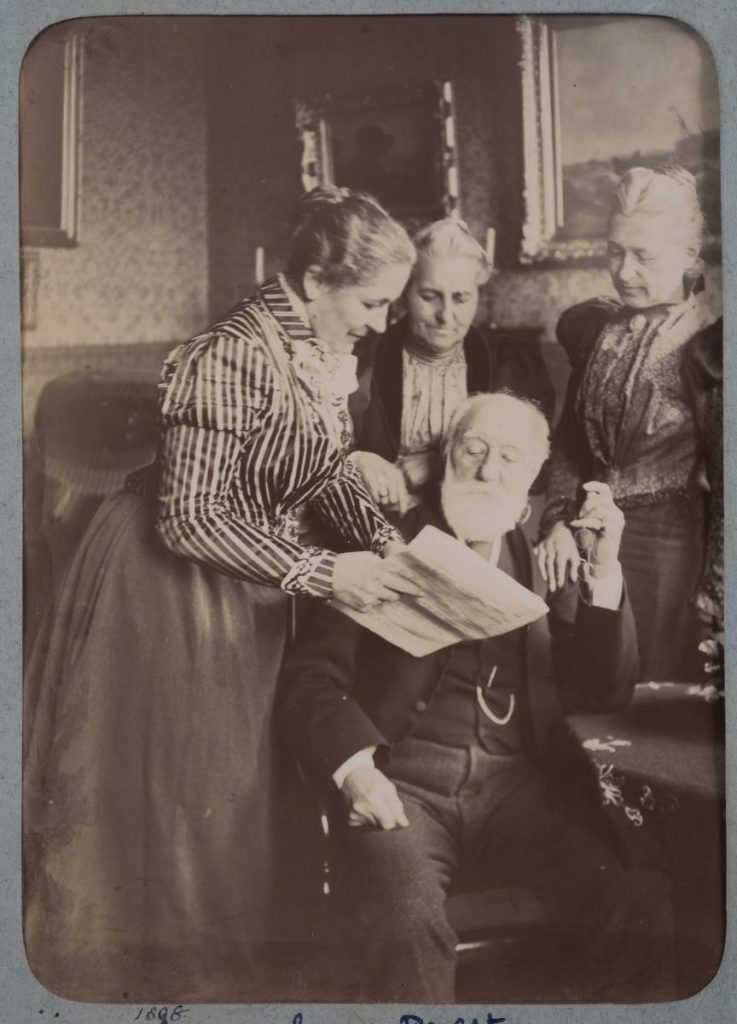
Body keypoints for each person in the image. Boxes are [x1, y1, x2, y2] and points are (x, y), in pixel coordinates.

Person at [23, 187, 418, 1002]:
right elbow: (190, 517)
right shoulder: (231, 354)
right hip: (167, 589)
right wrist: (319, 571)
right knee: (181, 791)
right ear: (314, 279)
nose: (381, 322)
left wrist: (384, 542)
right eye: (372, 302)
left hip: (245, 583)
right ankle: (172, 988)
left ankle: (226, 981)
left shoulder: (312, 346)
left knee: (230, 791)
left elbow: (318, 471)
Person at [281, 392, 674, 1003]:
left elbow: (603, 689)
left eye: (511, 459)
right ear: (447, 456)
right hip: (403, 786)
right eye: (475, 450)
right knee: (404, 923)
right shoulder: (381, 544)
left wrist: (604, 570)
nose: (490, 471)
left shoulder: (543, 560)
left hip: (515, 793)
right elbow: (310, 682)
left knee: (627, 901)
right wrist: (355, 773)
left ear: (533, 480)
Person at [536, 165, 723, 680]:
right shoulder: (598, 329)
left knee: (648, 692)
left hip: (666, 547)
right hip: (583, 534)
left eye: (645, 256)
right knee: (582, 678)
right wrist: (554, 519)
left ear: (688, 256)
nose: (625, 271)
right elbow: (572, 440)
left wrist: (718, 591)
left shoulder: (708, 346)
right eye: (616, 250)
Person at [347, 218, 555, 522]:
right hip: (375, 526)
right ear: (405, 293)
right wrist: (357, 460)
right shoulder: (362, 358)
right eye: (429, 297)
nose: (446, 315)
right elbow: (319, 453)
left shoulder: (513, 364)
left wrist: (437, 463)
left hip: (479, 528)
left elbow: (537, 471)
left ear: (478, 296)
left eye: (461, 298)